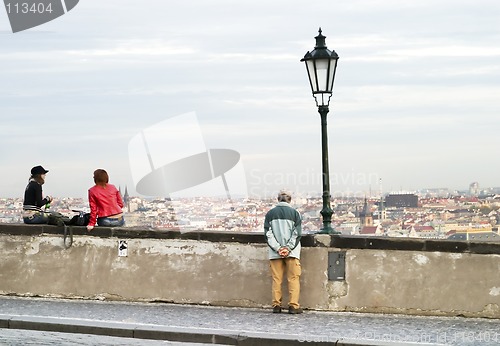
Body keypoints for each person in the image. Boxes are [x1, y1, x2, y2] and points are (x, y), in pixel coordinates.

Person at [264, 190, 303, 314]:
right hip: (292, 252)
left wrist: (278, 248)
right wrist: (287, 248)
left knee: (277, 279)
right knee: (293, 278)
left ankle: (276, 305)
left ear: (278, 199)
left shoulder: (270, 214)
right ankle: (293, 306)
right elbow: (297, 233)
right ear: (290, 200)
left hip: (275, 253)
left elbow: (268, 234)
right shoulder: (295, 213)